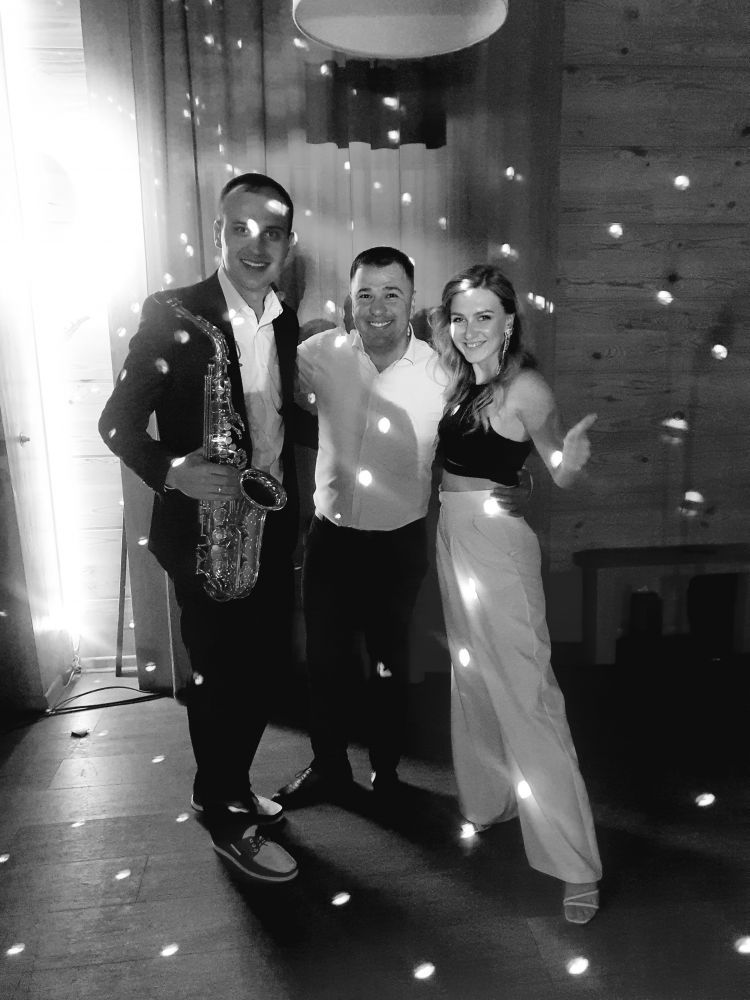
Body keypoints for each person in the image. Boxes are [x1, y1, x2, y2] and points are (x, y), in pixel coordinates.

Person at [98, 172, 301, 884]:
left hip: (269, 522)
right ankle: (223, 815)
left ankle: (230, 783)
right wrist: (172, 471)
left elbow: (277, 417)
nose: (255, 245)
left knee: (264, 671)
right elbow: (117, 423)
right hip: (203, 531)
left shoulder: (286, 317)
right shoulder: (172, 313)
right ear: (218, 233)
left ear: (288, 243)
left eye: (271, 232)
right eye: (239, 228)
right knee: (221, 680)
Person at [431, 263, 602, 925]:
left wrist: (569, 460)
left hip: (496, 543)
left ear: (508, 322)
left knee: (528, 695)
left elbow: (556, 467)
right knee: (472, 677)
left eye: (485, 316)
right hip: (453, 532)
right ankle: (491, 800)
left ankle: (576, 865)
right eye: (460, 317)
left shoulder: (525, 386)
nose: (470, 329)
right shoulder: (460, 380)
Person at [273, 247, 447, 808]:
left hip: (400, 546)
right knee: (326, 665)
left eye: (391, 294)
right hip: (331, 541)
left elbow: (478, 437)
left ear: (411, 301)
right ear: (349, 301)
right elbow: (268, 383)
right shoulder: (320, 354)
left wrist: (519, 480)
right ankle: (328, 767)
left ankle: (388, 773)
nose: (377, 308)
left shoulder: (442, 372)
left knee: (390, 664)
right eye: (365, 294)